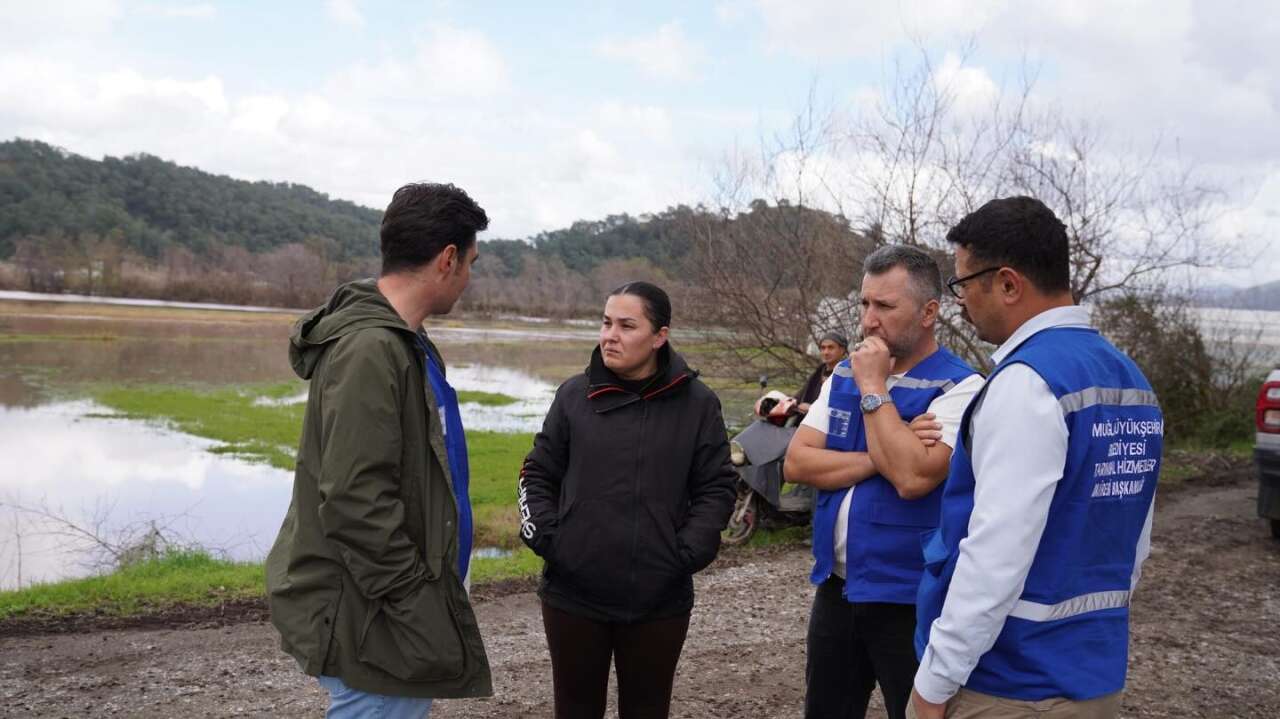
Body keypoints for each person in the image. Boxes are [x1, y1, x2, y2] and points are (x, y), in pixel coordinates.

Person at [910, 197, 1163, 719]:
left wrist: (934, 685)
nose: (959, 301)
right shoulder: (1129, 379)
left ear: (1007, 283)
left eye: (962, 284)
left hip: (1010, 685)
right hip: (1094, 678)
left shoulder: (1027, 383)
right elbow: (1132, 543)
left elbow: (994, 556)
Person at [265, 183, 492, 718]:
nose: (469, 279)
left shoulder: (406, 342)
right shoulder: (370, 349)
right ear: (448, 258)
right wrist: (416, 602)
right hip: (375, 615)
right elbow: (354, 500)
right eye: (471, 263)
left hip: (388, 606)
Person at [516, 281, 737, 719]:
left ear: (660, 336)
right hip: (573, 594)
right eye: (605, 322)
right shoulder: (574, 396)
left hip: (659, 598)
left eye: (626, 325)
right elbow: (536, 473)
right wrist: (552, 542)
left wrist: (685, 553)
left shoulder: (699, 404)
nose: (609, 335)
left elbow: (717, 487)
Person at [784, 245, 984, 719]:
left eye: (885, 307)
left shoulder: (960, 387)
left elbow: (914, 477)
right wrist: (885, 455)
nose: (869, 320)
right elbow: (796, 463)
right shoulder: (844, 373)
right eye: (864, 304)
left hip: (910, 595)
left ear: (930, 312)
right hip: (837, 589)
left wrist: (875, 389)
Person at [796, 331, 850, 416]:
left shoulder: (847, 375)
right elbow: (799, 396)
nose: (826, 352)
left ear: (842, 350)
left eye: (831, 348)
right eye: (823, 348)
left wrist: (811, 408)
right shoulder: (819, 372)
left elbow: (843, 408)